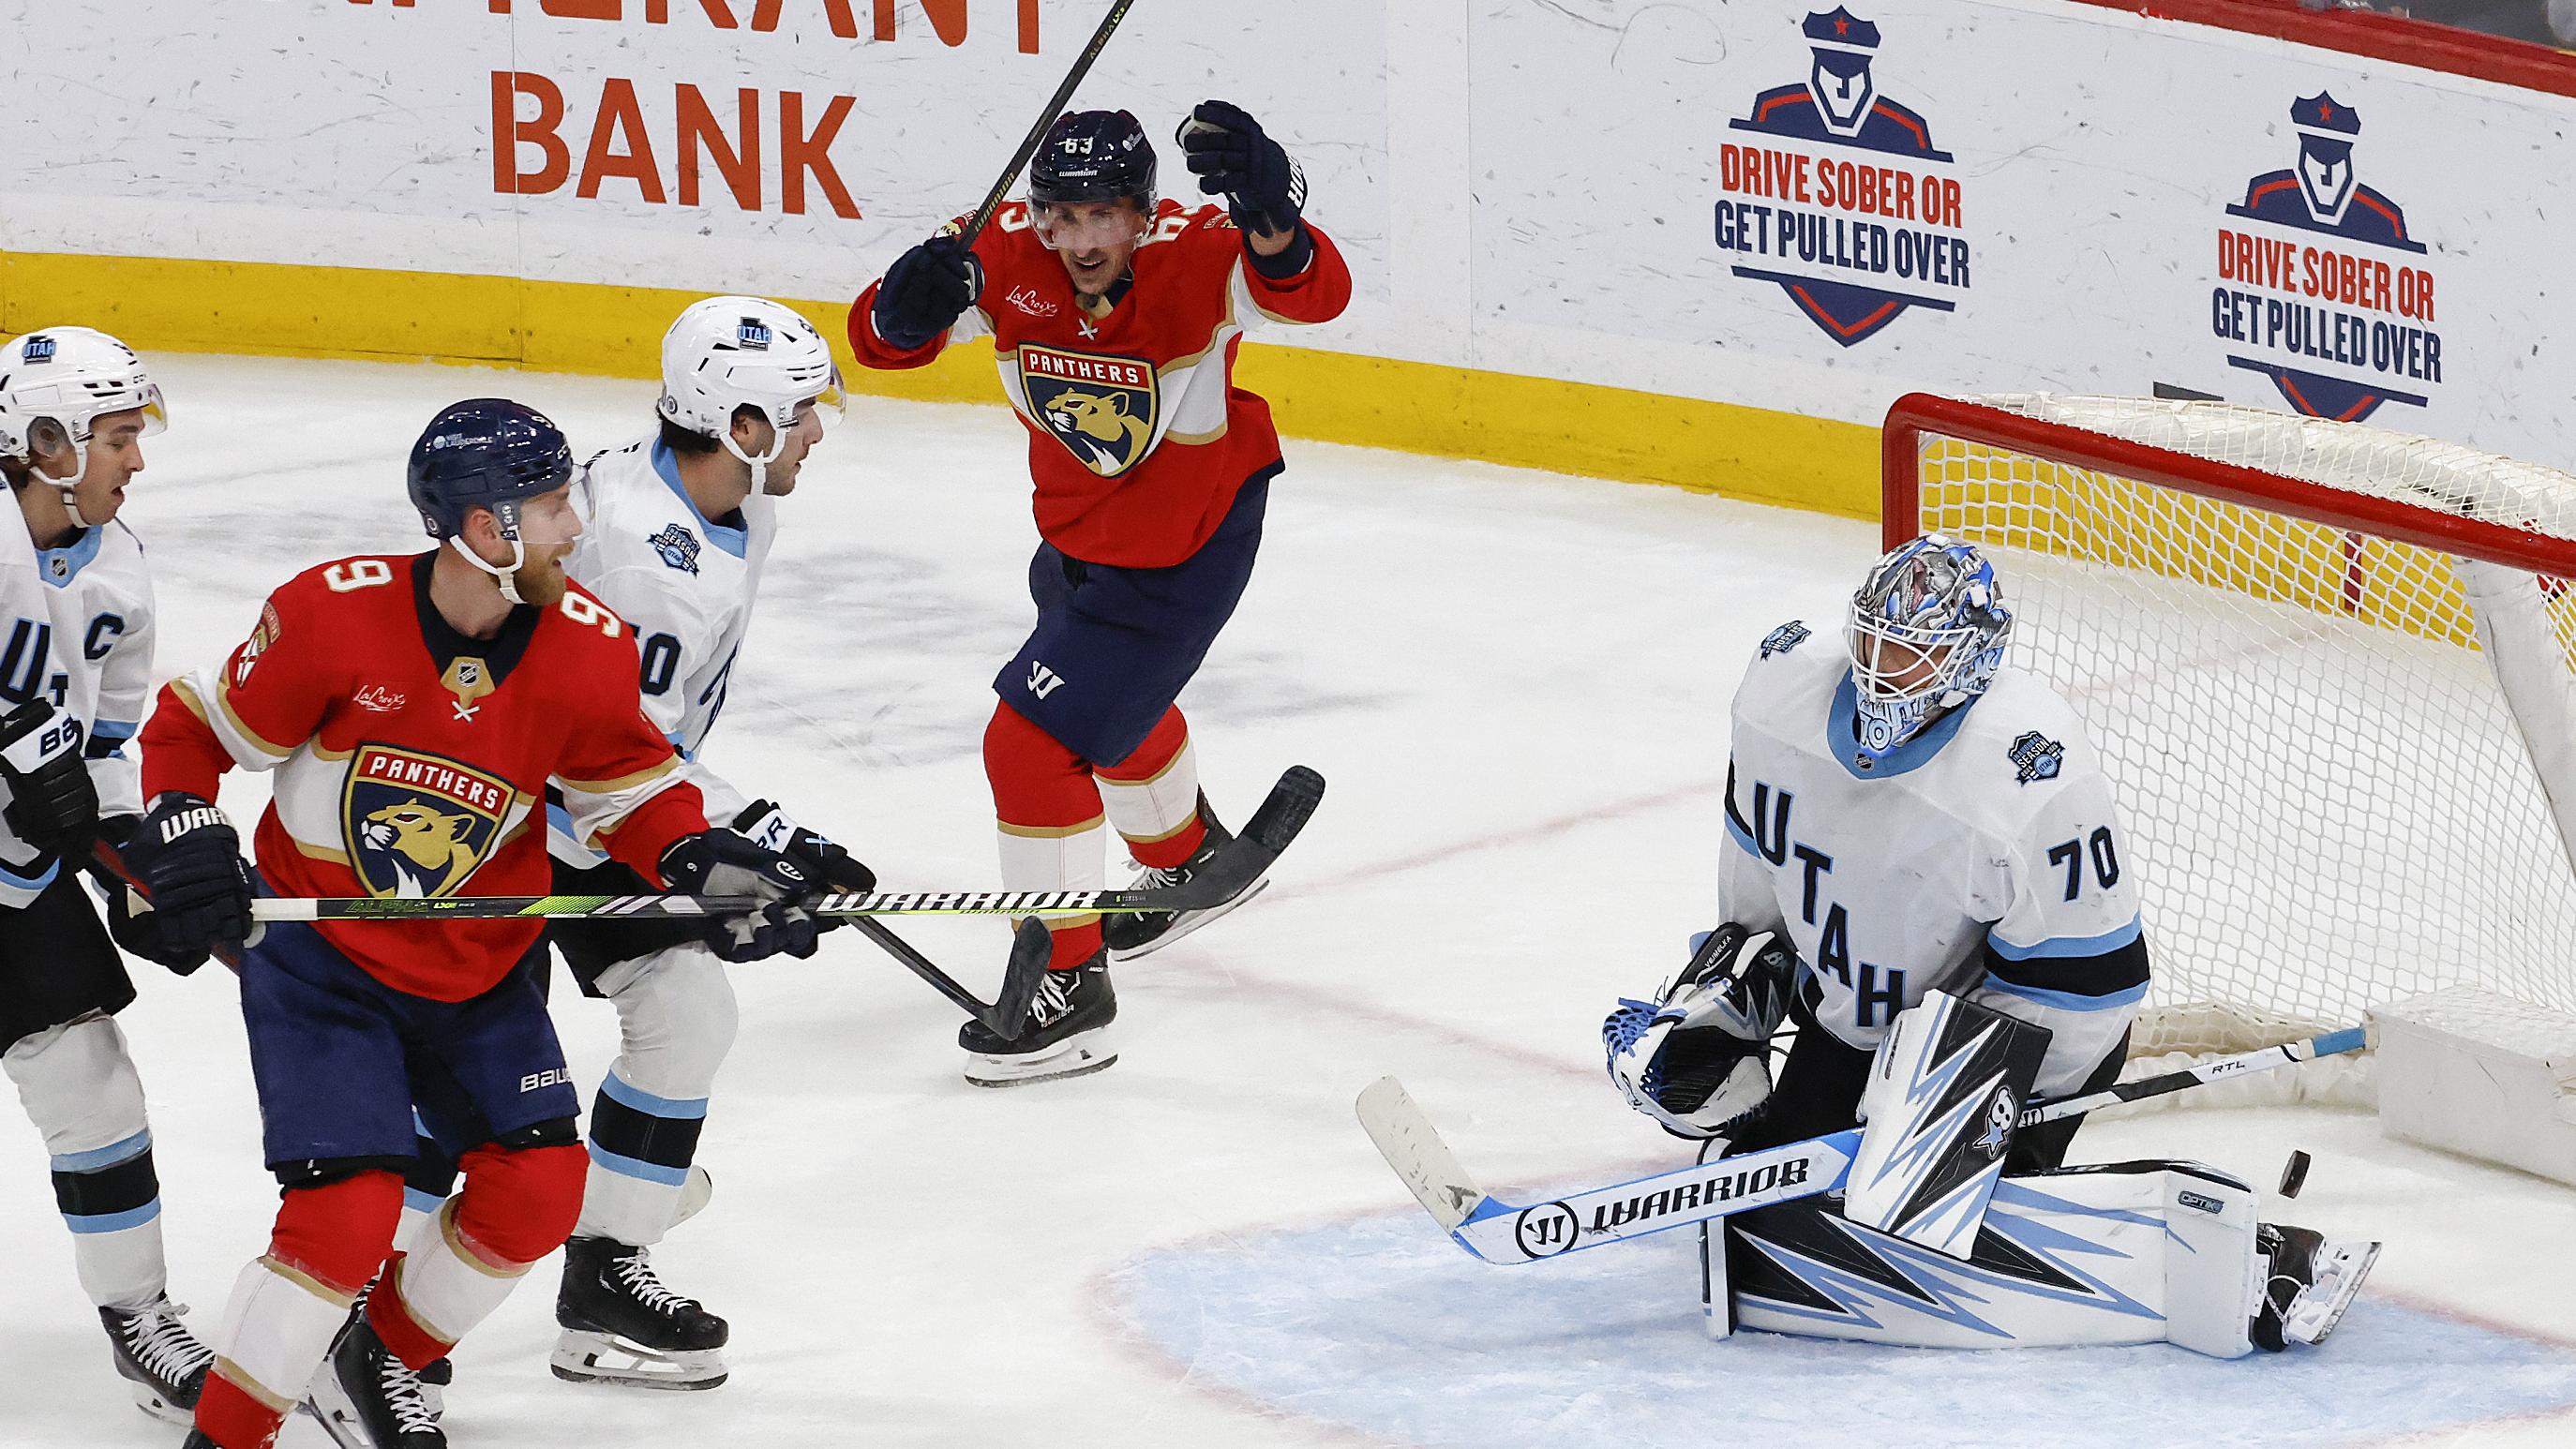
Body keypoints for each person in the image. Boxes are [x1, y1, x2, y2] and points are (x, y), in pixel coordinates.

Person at [130, 398, 822, 1449]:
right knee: (344, 1215)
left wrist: (692, 858)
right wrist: (185, 826)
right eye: (550, 508)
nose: (573, 528)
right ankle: (225, 1438)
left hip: (481, 969)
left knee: (540, 1192)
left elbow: (628, 790)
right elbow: (193, 728)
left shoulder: (586, 645)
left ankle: (377, 1358)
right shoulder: (332, 615)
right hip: (327, 964)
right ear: (483, 528)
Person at [1602, 533, 2374, 1356]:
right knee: (1777, 1218)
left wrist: (1962, 1106)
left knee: (1931, 1221)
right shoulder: (1780, 690)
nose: (1875, 672)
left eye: (1907, 657)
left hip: (2008, 1028)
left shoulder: (2028, 770)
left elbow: (2093, 982)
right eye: (1870, 642)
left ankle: (2271, 1252)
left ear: (1970, 664)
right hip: (1852, 1018)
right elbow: (1762, 855)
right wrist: (1732, 996)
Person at [399, 297, 873, 1393]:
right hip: (506, 823)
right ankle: (369, 1300)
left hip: (606, 810)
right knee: (454, 1079)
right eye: (801, 416)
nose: (815, 434)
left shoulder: (706, 501)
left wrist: (762, 833)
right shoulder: (655, 566)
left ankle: (607, 1268)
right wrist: (756, 832)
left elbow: (630, 750)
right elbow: (608, 758)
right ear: (744, 427)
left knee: (689, 1012)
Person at [848, 102, 1352, 1085]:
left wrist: (1278, 223)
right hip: (1078, 536)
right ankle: (1182, 854)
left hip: (1185, 547)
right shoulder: (995, 246)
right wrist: (902, 308)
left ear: (1143, 211)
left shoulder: (1201, 251)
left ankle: (1069, 992)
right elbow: (877, 342)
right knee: (1098, 703)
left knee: (1029, 738)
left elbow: (1311, 297)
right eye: (1061, 219)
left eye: (1106, 217)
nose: (1082, 241)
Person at [0, 326, 217, 1425]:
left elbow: (103, 750)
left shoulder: (117, 562)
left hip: (13, 881)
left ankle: (137, 1316)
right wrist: (24, 746)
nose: (136, 461)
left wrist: (135, 858)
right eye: (119, 438)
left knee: (93, 1084)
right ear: (45, 443)